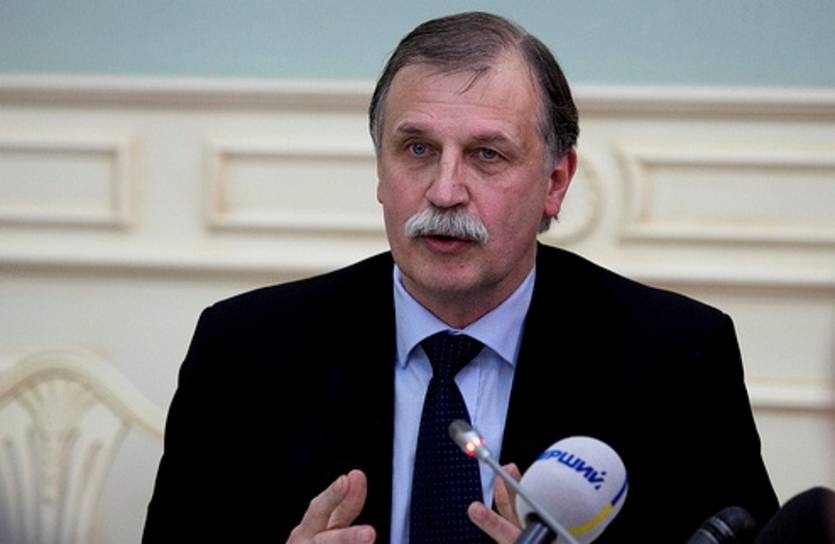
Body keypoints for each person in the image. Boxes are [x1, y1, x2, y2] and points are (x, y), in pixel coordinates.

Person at [142, 11, 778, 544]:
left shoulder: (676, 357)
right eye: (417, 149)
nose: (445, 191)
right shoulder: (244, 349)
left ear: (555, 181)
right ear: (381, 170)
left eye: (486, 154)